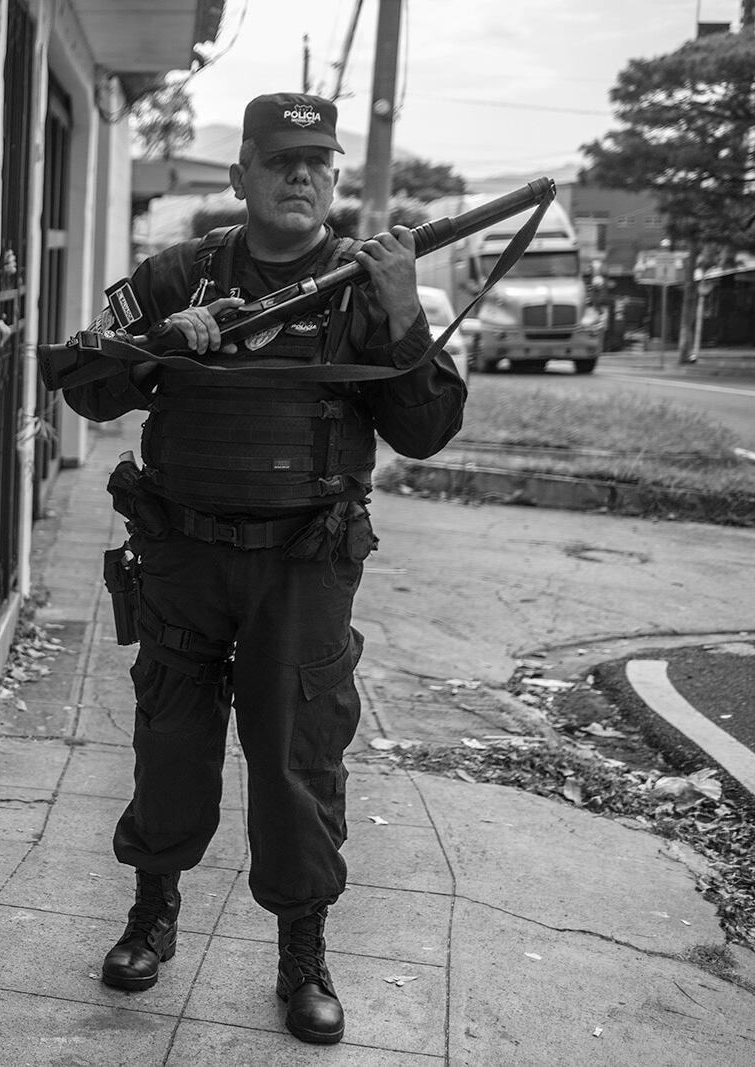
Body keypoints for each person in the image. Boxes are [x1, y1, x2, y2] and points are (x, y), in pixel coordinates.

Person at [62, 93, 466, 1045]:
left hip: (304, 564)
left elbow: (426, 431)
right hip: (185, 551)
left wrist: (403, 308)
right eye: (282, 160)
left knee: (297, 758)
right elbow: (83, 383)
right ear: (241, 173)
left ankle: (303, 954)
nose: (302, 176)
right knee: (171, 738)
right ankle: (151, 914)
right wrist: (164, 342)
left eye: (319, 161)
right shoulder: (181, 273)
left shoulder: (368, 285)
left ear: (335, 178)